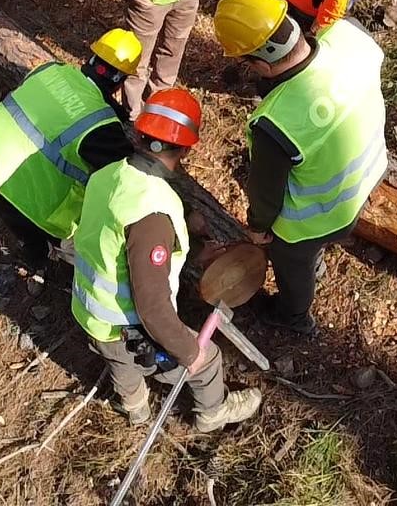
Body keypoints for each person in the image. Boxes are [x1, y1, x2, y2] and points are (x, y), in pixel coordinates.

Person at [71, 88, 263, 431]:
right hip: (127, 324)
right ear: (187, 147)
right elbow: (152, 308)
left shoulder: (109, 175)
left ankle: (136, 410)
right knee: (209, 360)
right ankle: (212, 413)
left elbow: (120, 235)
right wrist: (191, 353)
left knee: (122, 370)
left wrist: (185, 231)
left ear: (141, 134)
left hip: (90, 311)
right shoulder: (152, 212)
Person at [212, 0, 387, 336]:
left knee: (292, 260)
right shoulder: (348, 34)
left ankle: (294, 317)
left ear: (261, 64)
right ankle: (316, 257)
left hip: (319, 219)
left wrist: (259, 229)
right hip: (370, 175)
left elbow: (266, 193)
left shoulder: (275, 123)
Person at [0, 30, 142, 272]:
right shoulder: (100, 125)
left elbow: (63, 105)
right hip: (9, 193)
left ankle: (33, 246)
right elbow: (127, 174)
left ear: (92, 56)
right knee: (86, 227)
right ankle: (42, 254)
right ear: (121, 80)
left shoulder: (48, 69)